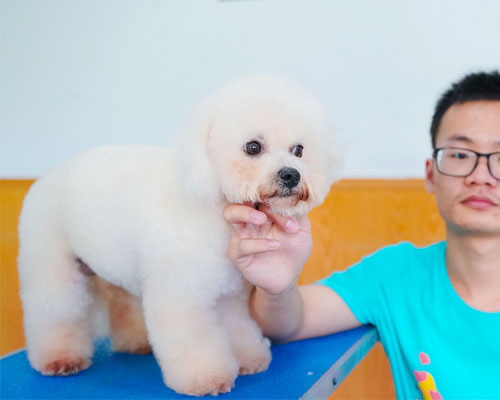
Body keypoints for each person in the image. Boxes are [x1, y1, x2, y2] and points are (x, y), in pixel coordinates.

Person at [223, 71, 500, 399]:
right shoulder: (396, 275)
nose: (481, 176)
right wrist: (278, 287)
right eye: (460, 154)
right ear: (430, 174)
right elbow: (290, 323)